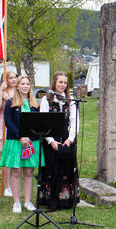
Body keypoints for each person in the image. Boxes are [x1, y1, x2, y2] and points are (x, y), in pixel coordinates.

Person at [0, 75, 43, 213]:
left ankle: (28, 201)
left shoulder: (35, 104)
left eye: (27, 84)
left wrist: (29, 137)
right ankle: (17, 201)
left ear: (30, 86)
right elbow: (9, 122)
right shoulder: (11, 103)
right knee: (16, 171)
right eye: (22, 84)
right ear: (18, 86)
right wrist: (21, 136)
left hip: (31, 142)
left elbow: (37, 123)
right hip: (16, 142)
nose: (25, 86)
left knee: (29, 172)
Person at [38, 71, 79, 210]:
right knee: (52, 169)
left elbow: (74, 121)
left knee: (66, 168)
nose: (62, 85)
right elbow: (43, 121)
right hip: (51, 139)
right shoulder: (46, 100)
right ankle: (52, 201)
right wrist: (51, 141)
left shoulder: (71, 100)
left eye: (65, 83)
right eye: (60, 82)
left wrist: (70, 139)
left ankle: (66, 201)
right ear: (54, 82)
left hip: (67, 138)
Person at [0, 71, 17, 196]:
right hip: (3, 126)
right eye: (10, 78)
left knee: (14, 158)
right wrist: (1, 91)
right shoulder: (1, 91)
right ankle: (6, 185)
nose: (13, 80)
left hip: (15, 125)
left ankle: (13, 184)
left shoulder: (18, 91)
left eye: (14, 77)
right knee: (6, 157)